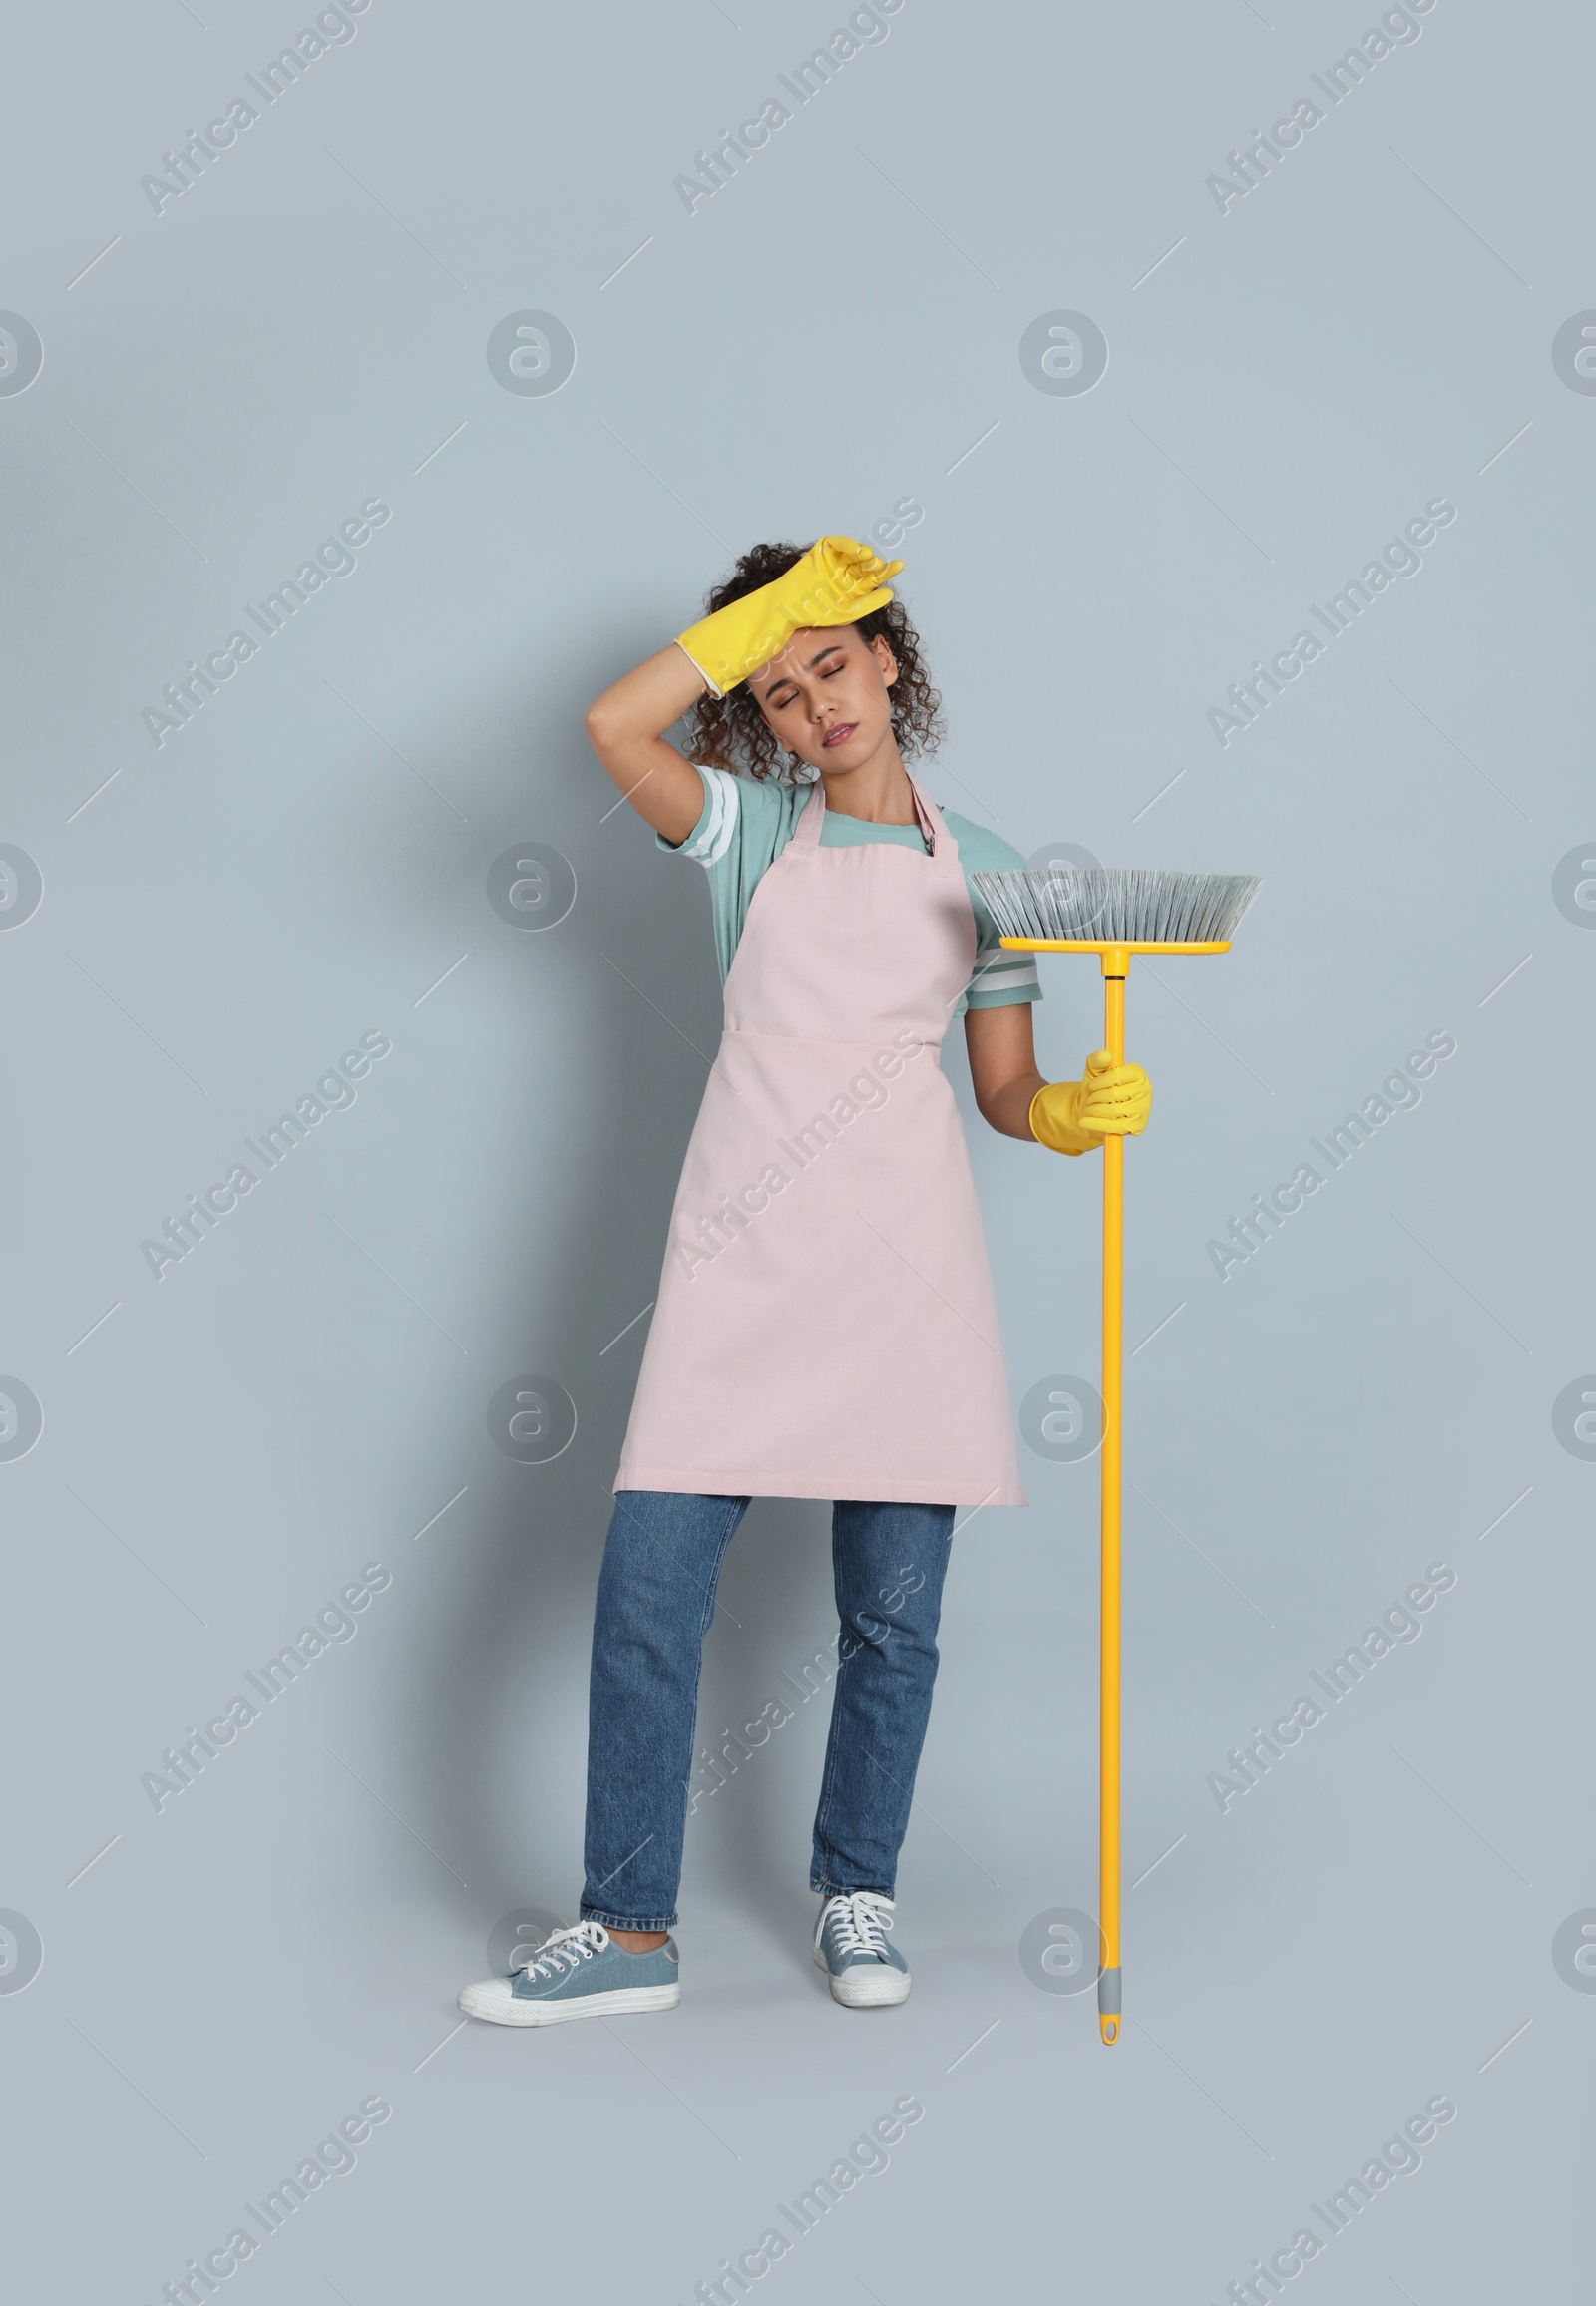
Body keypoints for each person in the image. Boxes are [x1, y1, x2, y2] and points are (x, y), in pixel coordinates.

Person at [458, 537, 1151, 2027]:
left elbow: (1006, 1087)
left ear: (890, 659)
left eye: (832, 660)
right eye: (779, 689)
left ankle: (859, 1891)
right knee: (651, 1597)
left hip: (909, 1278)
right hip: (742, 1262)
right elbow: (610, 726)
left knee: (893, 1620)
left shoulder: (996, 871)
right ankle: (631, 1930)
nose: (814, 703)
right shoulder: (741, 840)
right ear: (759, 724)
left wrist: (1068, 1118)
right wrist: (769, 615)